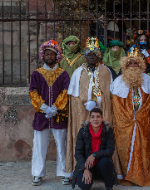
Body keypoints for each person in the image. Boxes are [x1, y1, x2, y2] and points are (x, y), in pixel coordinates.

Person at [65, 37, 114, 178]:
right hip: (83, 112)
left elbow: (109, 93)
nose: (92, 56)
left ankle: (102, 170)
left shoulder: (106, 72)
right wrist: (85, 102)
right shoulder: (78, 72)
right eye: (89, 54)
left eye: (94, 54)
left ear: (99, 55)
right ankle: (81, 168)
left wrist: (99, 102)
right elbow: (74, 96)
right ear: (85, 56)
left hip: (101, 112)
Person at [111, 47, 150, 187]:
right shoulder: (119, 81)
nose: (133, 66)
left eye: (135, 63)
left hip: (145, 121)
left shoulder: (149, 80)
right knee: (125, 148)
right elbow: (117, 104)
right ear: (125, 65)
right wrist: (129, 117)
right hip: (125, 123)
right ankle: (128, 175)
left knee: (146, 148)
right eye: (130, 64)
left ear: (141, 65)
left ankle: (144, 175)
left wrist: (140, 116)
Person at [29, 39, 70, 186]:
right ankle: (37, 174)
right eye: (47, 54)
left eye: (52, 54)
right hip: (42, 115)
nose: (49, 56)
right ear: (43, 55)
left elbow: (66, 92)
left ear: (56, 56)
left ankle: (64, 173)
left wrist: (56, 107)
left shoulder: (63, 74)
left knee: (62, 145)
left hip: (59, 115)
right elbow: (33, 92)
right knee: (39, 145)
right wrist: (44, 107)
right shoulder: (36, 74)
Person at [71, 108, 117, 190]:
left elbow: (110, 150)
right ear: (90, 119)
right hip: (87, 164)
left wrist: (94, 155)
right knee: (84, 186)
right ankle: (89, 175)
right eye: (93, 117)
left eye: (98, 117)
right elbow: (78, 152)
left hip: (101, 163)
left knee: (106, 161)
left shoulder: (108, 130)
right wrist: (84, 169)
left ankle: (109, 186)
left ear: (102, 118)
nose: (95, 119)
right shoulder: (83, 131)